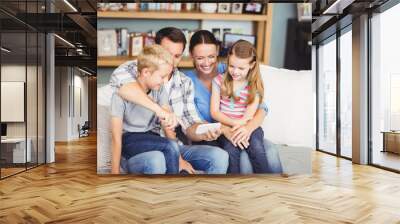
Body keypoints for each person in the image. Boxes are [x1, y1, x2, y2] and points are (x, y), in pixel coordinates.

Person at [111, 27, 229, 174]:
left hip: (172, 145)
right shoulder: (131, 69)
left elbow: (189, 124)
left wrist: (206, 131)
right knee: (158, 158)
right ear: (155, 49)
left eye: (177, 56)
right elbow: (123, 89)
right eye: (167, 54)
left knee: (219, 156)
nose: (171, 61)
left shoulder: (184, 83)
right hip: (139, 147)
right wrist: (160, 111)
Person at [185, 30, 282, 173]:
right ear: (191, 55)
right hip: (215, 135)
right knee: (230, 154)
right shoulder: (186, 82)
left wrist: (247, 127)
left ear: (218, 51)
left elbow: (261, 107)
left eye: (211, 56)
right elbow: (193, 124)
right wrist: (226, 129)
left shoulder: (230, 70)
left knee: (269, 152)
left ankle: (269, 189)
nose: (206, 63)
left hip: (245, 127)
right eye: (200, 58)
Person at [110, 45, 180, 174]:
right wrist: (114, 173)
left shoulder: (159, 90)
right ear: (146, 72)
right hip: (129, 140)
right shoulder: (120, 95)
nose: (164, 81)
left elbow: (165, 111)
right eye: (162, 76)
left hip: (151, 137)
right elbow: (115, 137)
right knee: (170, 146)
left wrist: (170, 119)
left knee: (168, 149)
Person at [210, 40, 269, 174]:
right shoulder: (218, 81)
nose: (235, 71)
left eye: (241, 68)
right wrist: (233, 124)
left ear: (252, 65)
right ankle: (234, 188)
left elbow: (248, 116)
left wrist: (242, 128)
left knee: (257, 148)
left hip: (247, 126)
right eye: (231, 66)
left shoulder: (254, 85)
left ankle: (267, 183)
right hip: (226, 126)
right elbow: (214, 112)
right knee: (230, 151)